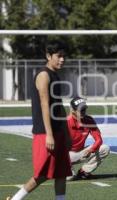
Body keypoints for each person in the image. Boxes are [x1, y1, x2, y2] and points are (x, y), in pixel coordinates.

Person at [7, 41, 72, 200]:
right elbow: (45, 105)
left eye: (64, 56)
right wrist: (49, 134)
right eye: (59, 56)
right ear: (48, 56)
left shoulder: (56, 75)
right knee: (42, 174)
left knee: (62, 173)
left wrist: (66, 132)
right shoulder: (43, 75)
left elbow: (59, 107)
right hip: (45, 133)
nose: (62, 60)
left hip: (58, 132)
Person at [66, 97, 110, 181]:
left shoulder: (89, 120)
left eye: (84, 109)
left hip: (80, 152)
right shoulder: (65, 122)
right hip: (64, 155)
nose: (83, 112)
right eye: (80, 110)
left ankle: (84, 171)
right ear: (72, 110)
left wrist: (91, 150)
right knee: (69, 177)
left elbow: (99, 140)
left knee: (105, 148)